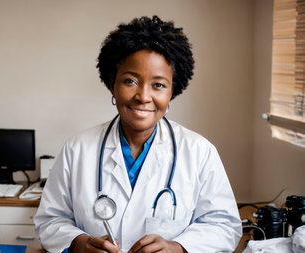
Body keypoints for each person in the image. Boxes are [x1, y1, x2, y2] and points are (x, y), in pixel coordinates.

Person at [34, 15, 242, 253]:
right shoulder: (77, 149)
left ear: (173, 90)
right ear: (112, 84)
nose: (143, 96)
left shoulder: (199, 151)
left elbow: (224, 226)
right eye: (130, 81)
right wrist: (79, 243)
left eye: (159, 85)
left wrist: (179, 248)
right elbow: (49, 220)